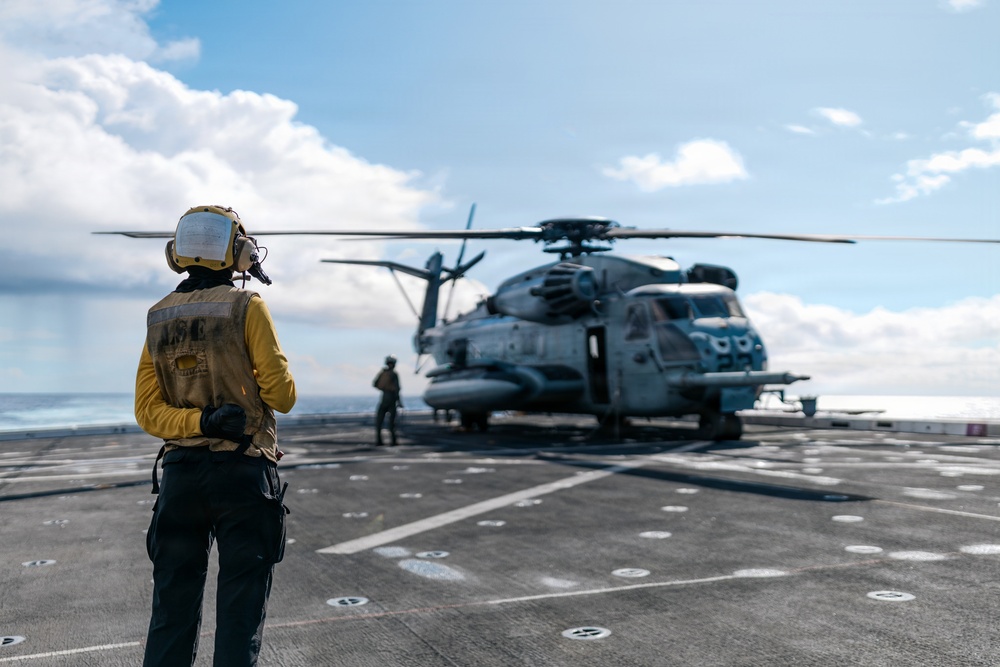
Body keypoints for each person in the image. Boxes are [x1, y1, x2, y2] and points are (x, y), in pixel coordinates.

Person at [134, 205, 296, 667]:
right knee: (240, 613)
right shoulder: (248, 306)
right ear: (240, 252)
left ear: (176, 254)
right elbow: (282, 396)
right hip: (244, 476)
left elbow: (148, 411)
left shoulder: (157, 316)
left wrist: (199, 423)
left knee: (171, 612)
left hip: (181, 480)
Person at [373, 354, 402, 446]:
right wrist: (399, 401)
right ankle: (393, 441)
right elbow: (397, 388)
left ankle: (379, 441)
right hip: (391, 399)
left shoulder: (382, 373)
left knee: (379, 422)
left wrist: (384, 387)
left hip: (383, 399)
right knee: (391, 424)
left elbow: (375, 384)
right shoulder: (394, 374)